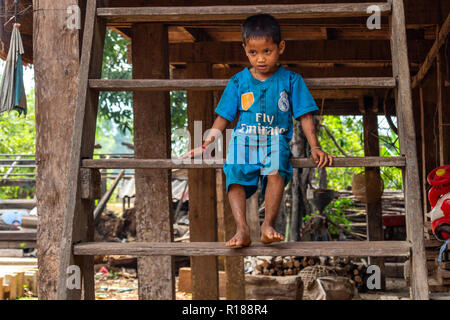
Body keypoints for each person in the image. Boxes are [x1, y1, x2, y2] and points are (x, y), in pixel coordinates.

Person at [181, 14, 335, 247]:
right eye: (253, 53)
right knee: (234, 173)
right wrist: (205, 145)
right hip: (243, 139)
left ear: (280, 47)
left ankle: (268, 224)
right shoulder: (238, 81)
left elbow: (304, 115)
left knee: (276, 170)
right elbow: (222, 119)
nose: (260, 59)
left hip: (275, 140)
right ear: (245, 50)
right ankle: (242, 228)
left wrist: (315, 147)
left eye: (267, 51)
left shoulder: (291, 80)